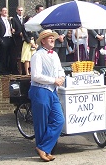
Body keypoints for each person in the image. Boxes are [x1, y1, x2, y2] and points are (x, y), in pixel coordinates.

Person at [28, 29, 65, 162]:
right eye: (49, 38)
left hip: (52, 91)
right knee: (41, 123)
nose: (52, 39)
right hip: (40, 90)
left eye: (53, 38)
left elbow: (60, 70)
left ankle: (43, 147)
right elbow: (36, 76)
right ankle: (45, 151)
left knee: (59, 120)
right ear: (42, 41)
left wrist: (61, 77)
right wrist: (53, 80)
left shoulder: (55, 54)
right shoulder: (37, 55)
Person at [0, 7, 16, 74]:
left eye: (6, 11)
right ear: (1, 12)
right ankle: (1, 70)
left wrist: (12, 31)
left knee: (8, 55)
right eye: (4, 11)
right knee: (2, 55)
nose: (5, 12)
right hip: (3, 39)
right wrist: (1, 41)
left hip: (10, 38)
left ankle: (7, 70)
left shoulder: (9, 20)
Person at [11, 6, 25, 74]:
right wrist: (19, 33)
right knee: (17, 56)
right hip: (17, 40)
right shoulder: (14, 19)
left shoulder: (25, 19)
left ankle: (24, 70)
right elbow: (12, 31)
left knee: (24, 56)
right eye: (19, 10)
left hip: (24, 40)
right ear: (16, 11)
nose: (20, 12)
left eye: (21, 10)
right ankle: (16, 71)